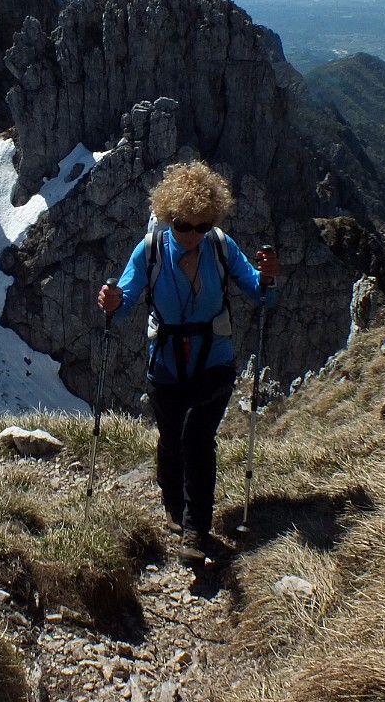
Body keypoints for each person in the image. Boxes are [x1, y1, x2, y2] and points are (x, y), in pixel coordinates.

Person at [97, 161, 278, 565]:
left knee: (197, 436)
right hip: (165, 360)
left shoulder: (220, 245)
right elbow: (123, 302)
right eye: (183, 226)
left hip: (214, 356)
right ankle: (173, 504)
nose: (193, 235)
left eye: (202, 226)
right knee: (171, 438)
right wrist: (111, 303)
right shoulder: (149, 250)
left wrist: (269, 278)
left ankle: (196, 528)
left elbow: (261, 295)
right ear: (168, 217)